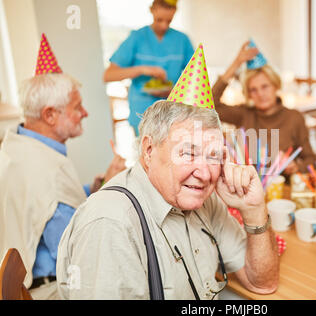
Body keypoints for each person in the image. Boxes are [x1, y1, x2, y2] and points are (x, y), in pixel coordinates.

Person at [57, 45, 279, 300]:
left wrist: (254, 211)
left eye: (214, 155)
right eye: (188, 153)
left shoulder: (205, 198)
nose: (206, 174)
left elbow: (262, 283)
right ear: (149, 150)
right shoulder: (111, 224)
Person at [0, 34, 126, 300]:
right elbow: (78, 255)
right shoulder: (45, 170)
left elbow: (43, 207)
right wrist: (110, 190)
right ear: (49, 115)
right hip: (49, 289)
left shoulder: (16, 146)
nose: (85, 113)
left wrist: (91, 189)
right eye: (77, 106)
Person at [212, 41, 316, 175]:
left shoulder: (294, 118)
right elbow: (211, 104)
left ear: (275, 85)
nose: (260, 94)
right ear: (248, 94)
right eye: (253, 90)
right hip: (247, 187)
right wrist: (236, 64)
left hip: (281, 190)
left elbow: (311, 159)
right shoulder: (244, 114)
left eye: (265, 86)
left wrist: (295, 166)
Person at [103, 0, 194, 134]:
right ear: (152, 10)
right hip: (142, 113)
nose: (164, 26)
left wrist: (175, 91)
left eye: (168, 21)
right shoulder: (137, 38)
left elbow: (195, 78)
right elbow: (108, 75)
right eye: (159, 20)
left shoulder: (182, 40)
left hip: (174, 112)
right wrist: (142, 69)